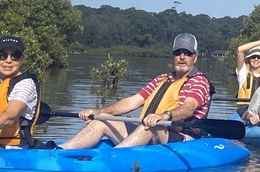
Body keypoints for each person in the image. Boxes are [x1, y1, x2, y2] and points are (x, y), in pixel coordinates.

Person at [59, 33, 212, 149]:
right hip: (151, 129)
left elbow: (188, 108)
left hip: (182, 138)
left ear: (195, 58)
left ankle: (115, 158)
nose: (182, 57)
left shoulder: (199, 81)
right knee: (103, 119)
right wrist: (98, 111)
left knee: (149, 127)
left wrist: (163, 116)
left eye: (188, 53)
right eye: (178, 52)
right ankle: (60, 151)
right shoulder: (162, 79)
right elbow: (133, 101)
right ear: (173, 56)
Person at [235, 37, 260, 114]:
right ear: (249, 59)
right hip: (244, 110)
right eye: (253, 57)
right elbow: (240, 50)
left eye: (259, 57)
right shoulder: (243, 73)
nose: (256, 59)